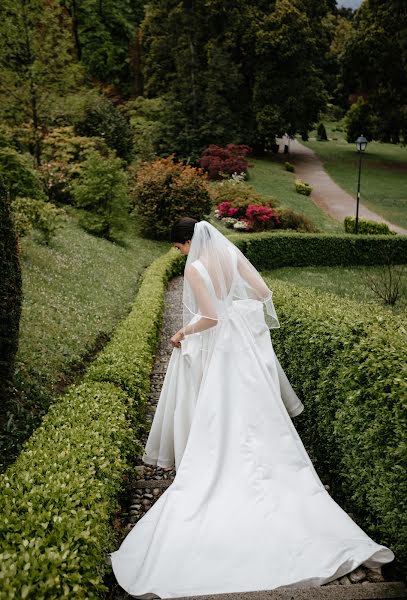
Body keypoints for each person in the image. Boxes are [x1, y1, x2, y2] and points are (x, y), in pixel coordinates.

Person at [109, 218, 394, 598]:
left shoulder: (195, 268)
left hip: (219, 349)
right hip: (242, 350)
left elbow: (208, 317)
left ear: (185, 243)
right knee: (257, 415)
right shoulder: (230, 253)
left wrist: (182, 332)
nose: (180, 254)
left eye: (178, 247)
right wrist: (238, 315)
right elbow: (262, 292)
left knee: (221, 416)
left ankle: (225, 467)